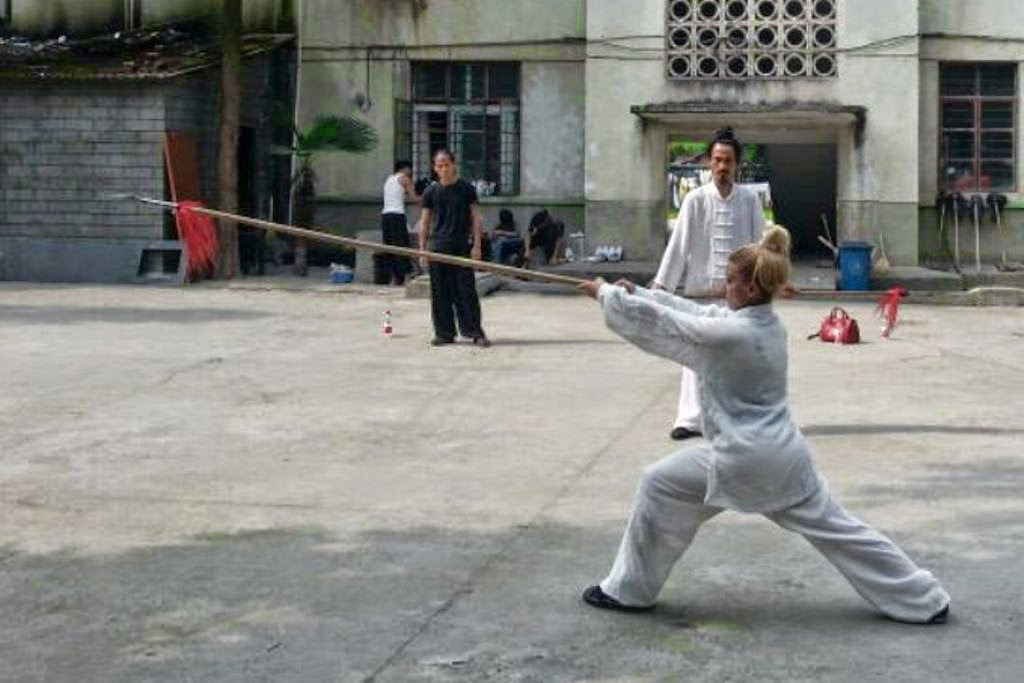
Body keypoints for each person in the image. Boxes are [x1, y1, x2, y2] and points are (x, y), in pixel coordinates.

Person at [575, 227, 950, 624]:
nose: (724, 287)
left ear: (751, 289)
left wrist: (606, 295)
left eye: (731, 281)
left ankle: (629, 591)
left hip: (743, 458)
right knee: (841, 531)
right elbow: (698, 314)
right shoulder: (765, 324)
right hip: (784, 455)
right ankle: (923, 596)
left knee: (658, 484)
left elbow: (669, 326)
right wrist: (639, 294)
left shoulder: (733, 334)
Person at [653, 126, 765, 441]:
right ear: (709, 163)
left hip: (737, 299)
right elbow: (679, 246)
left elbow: (760, 248)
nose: (721, 167)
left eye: (727, 161)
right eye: (716, 160)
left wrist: (766, 286)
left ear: (737, 165)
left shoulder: (750, 201)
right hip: (700, 294)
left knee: (737, 360)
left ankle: (735, 421)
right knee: (695, 357)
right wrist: (662, 287)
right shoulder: (695, 200)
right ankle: (690, 420)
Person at [418, 149, 490, 347]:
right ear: (435, 168)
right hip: (437, 249)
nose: (443, 169)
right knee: (440, 293)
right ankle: (444, 333)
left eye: (446, 165)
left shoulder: (466, 189)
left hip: (460, 248)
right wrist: (422, 250)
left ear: (454, 165)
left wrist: (477, 245)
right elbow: (424, 222)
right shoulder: (430, 192)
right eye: (439, 166)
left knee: (466, 292)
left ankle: (474, 331)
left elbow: (476, 218)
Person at [379, 160, 420, 286]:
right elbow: (414, 197)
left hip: (386, 215)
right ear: (404, 169)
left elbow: (397, 196)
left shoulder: (389, 180)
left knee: (389, 246)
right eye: (410, 169)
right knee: (402, 246)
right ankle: (405, 274)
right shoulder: (404, 179)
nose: (411, 172)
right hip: (397, 215)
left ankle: (394, 277)